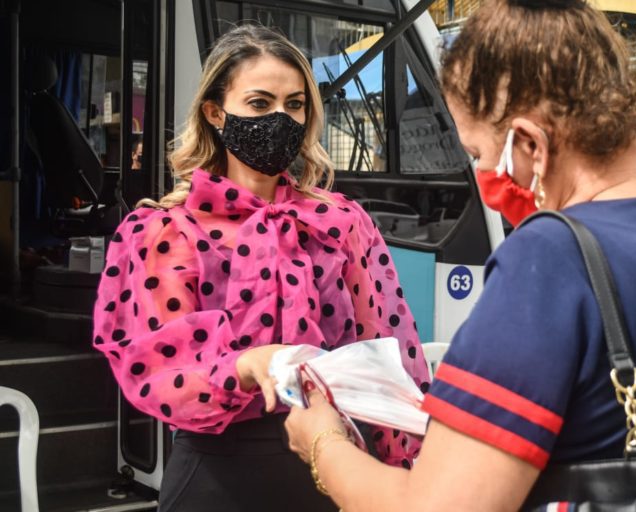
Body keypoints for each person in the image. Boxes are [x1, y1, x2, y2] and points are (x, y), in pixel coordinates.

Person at [281, 1, 636, 510]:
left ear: (530, 143)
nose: (484, 176)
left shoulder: (551, 260)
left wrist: (322, 443)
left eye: (479, 154)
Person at [92, 25, 429, 512]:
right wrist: (245, 366)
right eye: (259, 103)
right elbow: (153, 363)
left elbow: (393, 350)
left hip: (334, 465)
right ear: (215, 112)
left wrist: (410, 469)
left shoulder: (340, 223)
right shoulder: (165, 231)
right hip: (215, 475)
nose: (280, 118)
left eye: (294, 105)